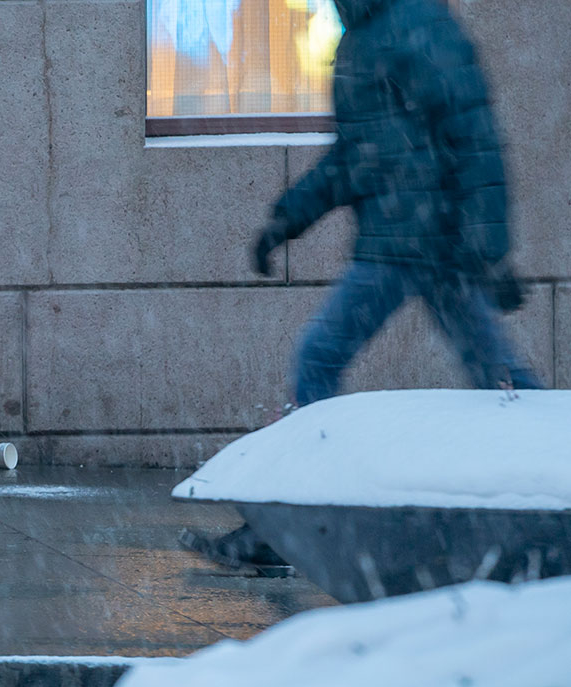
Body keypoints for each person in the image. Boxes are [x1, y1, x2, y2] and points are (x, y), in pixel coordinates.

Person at [183, 0, 543, 571]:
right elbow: (353, 156)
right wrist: (288, 217)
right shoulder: (361, 39)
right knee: (498, 376)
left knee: (491, 379)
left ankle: (292, 525)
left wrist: (488, 252)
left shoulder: (423, 28)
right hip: (397, 244)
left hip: (434, 245)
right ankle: (292, 524)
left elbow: (476, 141)